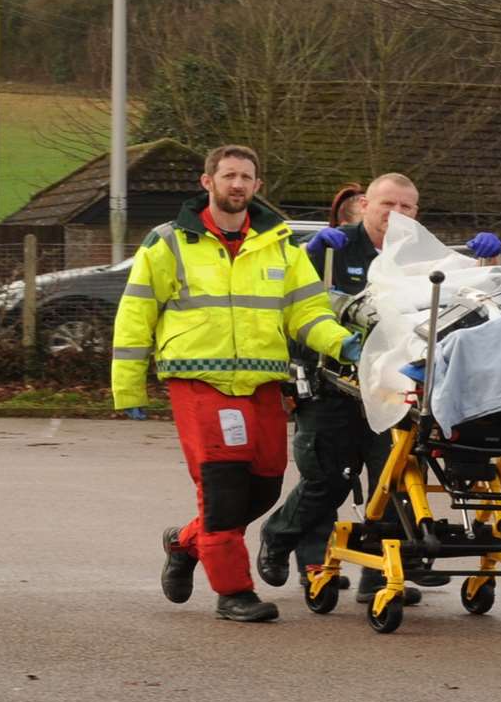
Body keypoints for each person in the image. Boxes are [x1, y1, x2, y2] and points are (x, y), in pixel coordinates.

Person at [112, 145, 359, 622]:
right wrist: (128, 387)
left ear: (257, 186)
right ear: (207, 182)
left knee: (264, 489)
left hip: (263, 383)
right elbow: (135, 313)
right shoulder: (168, 242)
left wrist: (343, 344)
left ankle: (184, 544)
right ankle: (233, 592)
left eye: (246, 177)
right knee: (223, 488)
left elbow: (308, 313)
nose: (237, 185)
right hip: (199, 381)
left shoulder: (282, 246)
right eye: (228, 176)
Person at [255, 173, 501, 605]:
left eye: (407, 208)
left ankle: (379, 575)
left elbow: (470, 297)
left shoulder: (421, 257)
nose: (397, 215)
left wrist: (490, 262)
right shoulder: (336, 248)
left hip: (393, 385)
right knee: (328, 479)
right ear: (365, 204)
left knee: (394, 480)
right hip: (332, 383)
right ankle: (278, 537)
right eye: (388, 204)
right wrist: (308, 257)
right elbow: (289, 295)